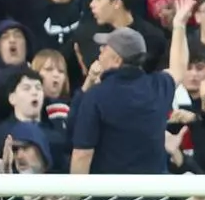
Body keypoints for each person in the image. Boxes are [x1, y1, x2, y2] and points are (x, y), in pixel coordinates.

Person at [69, 26, 175, 176]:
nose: (100, 51)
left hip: (111, 195)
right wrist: (179, 27)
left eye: (105, 48)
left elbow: (82, 155)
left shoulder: (96, 96)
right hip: (154, 195)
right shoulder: (159, 86)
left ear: (117, 60)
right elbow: (179, 68)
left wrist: (75, 198)